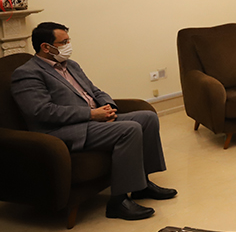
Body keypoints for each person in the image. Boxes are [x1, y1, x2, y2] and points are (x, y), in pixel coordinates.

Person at [11, 22, 176, 221]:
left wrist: (108, 106)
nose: (68, 46)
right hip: (64, 131)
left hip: (93, 119)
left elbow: (94, 91)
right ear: (46, 47)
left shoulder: (71, 65)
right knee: (130, 129)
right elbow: (41, 111)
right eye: (63, 42)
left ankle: (141, 185)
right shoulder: (27, 73)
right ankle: (118, 202)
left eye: (69, 41)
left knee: (147, 118)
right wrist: (90, 114)